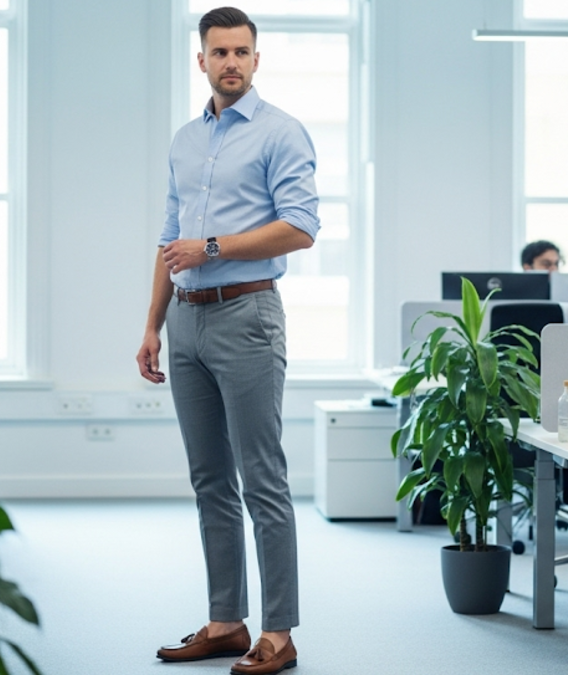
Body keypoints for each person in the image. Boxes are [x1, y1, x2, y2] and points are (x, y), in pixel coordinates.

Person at [136, 7, 318, 675]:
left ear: (257, 59)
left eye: (242, 51)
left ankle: (279, 630)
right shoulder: (186, 140)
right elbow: (168, 239)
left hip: (248, 316)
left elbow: (300, 226)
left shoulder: (281, 133)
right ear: (202, 60)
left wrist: (212, 246)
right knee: (209, 477)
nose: (231, 61)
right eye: (220, 52)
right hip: (185, 321)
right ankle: (225, 620)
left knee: (262, 477)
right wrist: (152, 324)